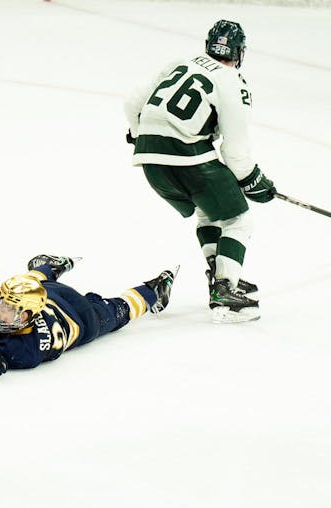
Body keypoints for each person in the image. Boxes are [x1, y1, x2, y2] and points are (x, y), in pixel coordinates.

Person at [123, 19, 275, 324]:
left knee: (208, 213)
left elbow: (132, 101)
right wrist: (251, 179)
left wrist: (140, 133)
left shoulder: (180, 63)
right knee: (237, 218)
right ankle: (225, 291)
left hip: (150, 161)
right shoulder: (231, 80)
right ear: (239, 52)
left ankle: (220, 276)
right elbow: (234, 150)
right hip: (188, 159)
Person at [0, 255, 177, 381]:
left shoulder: (29, 347)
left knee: (116, 312)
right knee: (30, 282)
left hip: (82, 316)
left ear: (27, 317)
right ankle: (50, 266)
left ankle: (152, 292)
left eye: (9, 310)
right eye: (0, 303)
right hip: (47, 294)